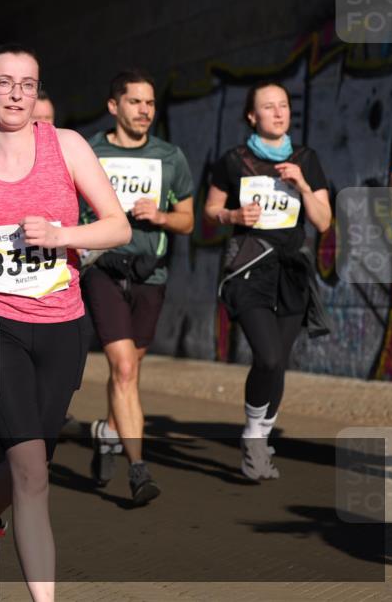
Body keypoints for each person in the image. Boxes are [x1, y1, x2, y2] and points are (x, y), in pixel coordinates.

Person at [0, 44, 129, 599]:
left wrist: (62, 235)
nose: (16, 94)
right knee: (33, 471)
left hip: (62, 326)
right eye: (4, 83)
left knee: (30, 459)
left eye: (27, 84)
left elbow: (118, 226)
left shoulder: (69, 146)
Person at [204, 81, 331, 480]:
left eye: (284, 106)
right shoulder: (233, 161)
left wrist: (303, 185)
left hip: (292, 272)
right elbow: (210, 209)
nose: (278, 113)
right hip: (248, 270)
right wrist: (232, 216)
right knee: (268, 356)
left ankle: (258, 440)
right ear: (251, 116)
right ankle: (253, 435)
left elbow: (323, 221)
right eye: (269, 106)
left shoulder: (306, 159)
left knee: (279, 364)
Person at [78, 70, 194, 505]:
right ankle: (139, 470)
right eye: (135, 102)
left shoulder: (170, 157)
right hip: (103, 269)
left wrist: (161, 216)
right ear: (114, 106)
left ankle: (108, 430)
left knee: (130, 367)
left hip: (151, 274)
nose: (145, 110)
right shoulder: (90, 152)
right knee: (124, 367)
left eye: (150, 103)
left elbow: (188, 221)